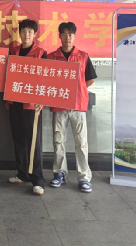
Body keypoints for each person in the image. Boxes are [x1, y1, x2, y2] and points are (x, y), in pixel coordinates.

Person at [48, 22, 97, 193]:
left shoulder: (83, 56)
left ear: (74, 37)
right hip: (59, 106)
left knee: (81, 143)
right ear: (59, 36)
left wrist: (77, 90)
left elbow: (90, 79)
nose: (67, 38)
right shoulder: (52, 57)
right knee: (58, 141)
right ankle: (59, 173)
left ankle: (84, 177)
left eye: (70, 35)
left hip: (78, 106)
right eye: (64, 34)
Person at [5, 19, 47, 196]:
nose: (26, 34)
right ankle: (22, 173)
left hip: (32, 105)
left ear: (35, 34)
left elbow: (46, 77)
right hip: (15, 102)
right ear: (19, 33)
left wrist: (42, 99)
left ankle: (38, 180)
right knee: (19, 140)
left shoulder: (41, 53)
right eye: (23, 31)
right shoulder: (14, 51)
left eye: (30, 32)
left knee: (33, 143)